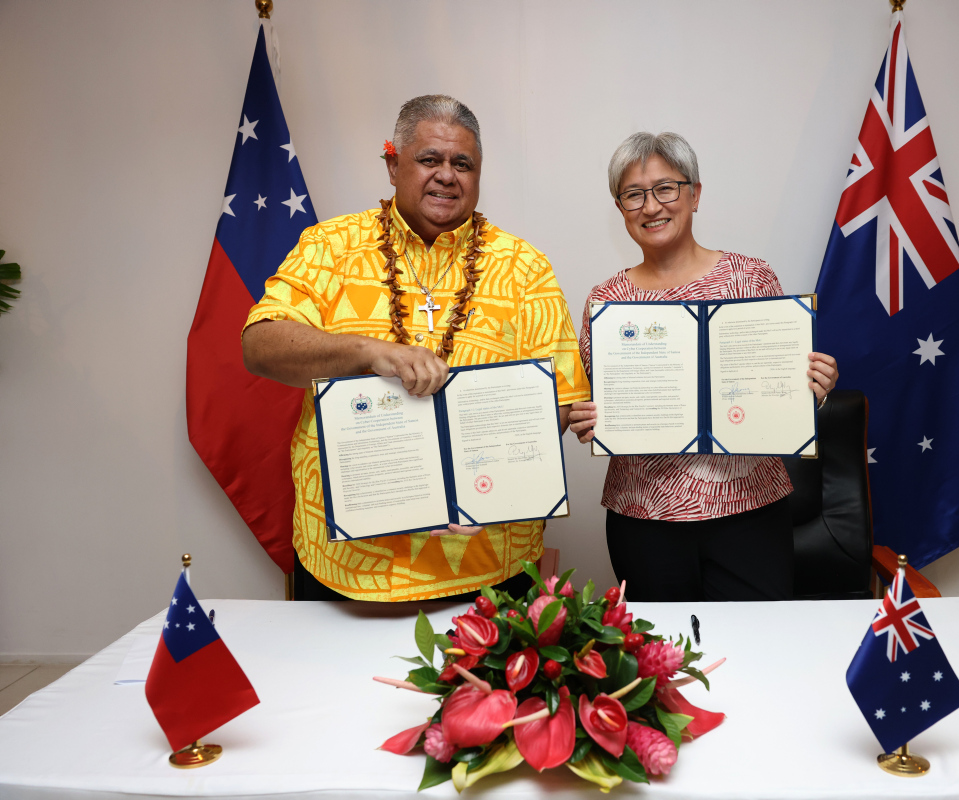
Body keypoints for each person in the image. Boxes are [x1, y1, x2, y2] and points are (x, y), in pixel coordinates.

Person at [242, 95, 590, 602]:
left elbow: (558, 402)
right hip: (348, 569)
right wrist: (366, 352)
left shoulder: (525, 268)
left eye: (462, 164)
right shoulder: (329, 247)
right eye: (430, 159)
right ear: (393, 164)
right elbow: (260, 343)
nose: (447, 175)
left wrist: (488, 485)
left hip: (489, 565)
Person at [568, 131, 839, 603]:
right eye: (634, 195)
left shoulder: (749, 278)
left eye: (665, 189)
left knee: (755, 652)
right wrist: (583, 417)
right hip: (644, 516)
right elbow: (590, 401)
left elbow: (778, 379)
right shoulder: (606, 301)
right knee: (661, 663)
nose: (651, 206)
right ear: (620, 209)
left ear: (694, 193)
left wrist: (811, 388)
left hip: (750, 511)